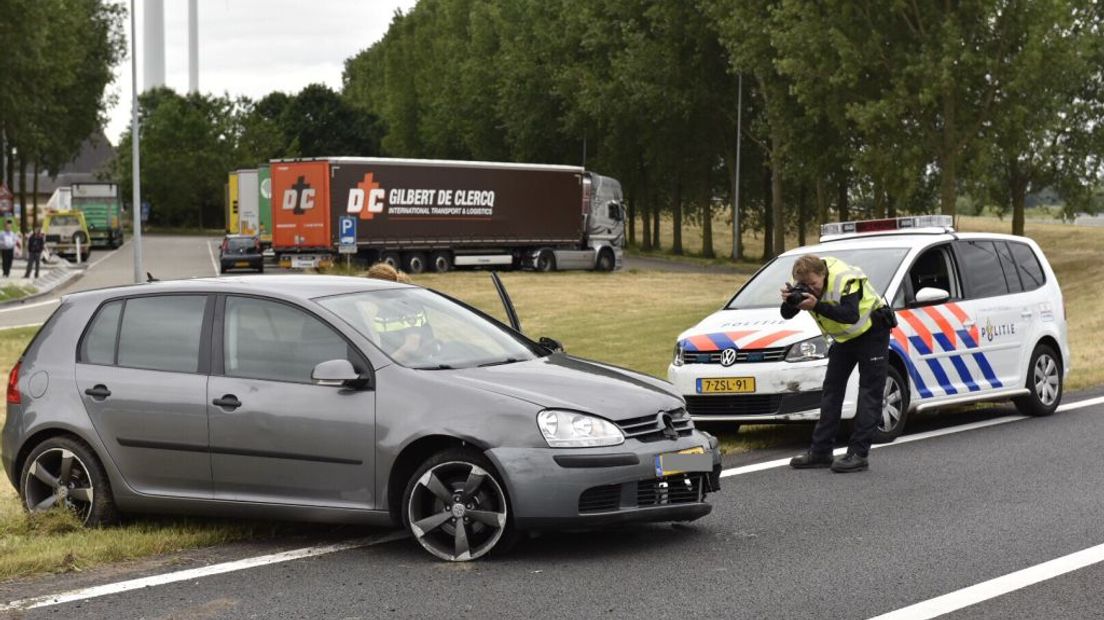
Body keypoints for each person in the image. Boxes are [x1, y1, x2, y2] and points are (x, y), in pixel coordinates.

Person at [781, 254, 891, 473]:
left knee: (869, 392)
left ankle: (858, 454)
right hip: (844, 339)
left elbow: (850, 315)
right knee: (831, 391)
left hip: (872, 331)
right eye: (806, 285)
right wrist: (790, 300)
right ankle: (821, 452)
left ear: (823, 274)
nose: (812, 289)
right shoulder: (805, 281)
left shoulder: (845, 279)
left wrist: (817, 305)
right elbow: (786, 314)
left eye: (814, 284)